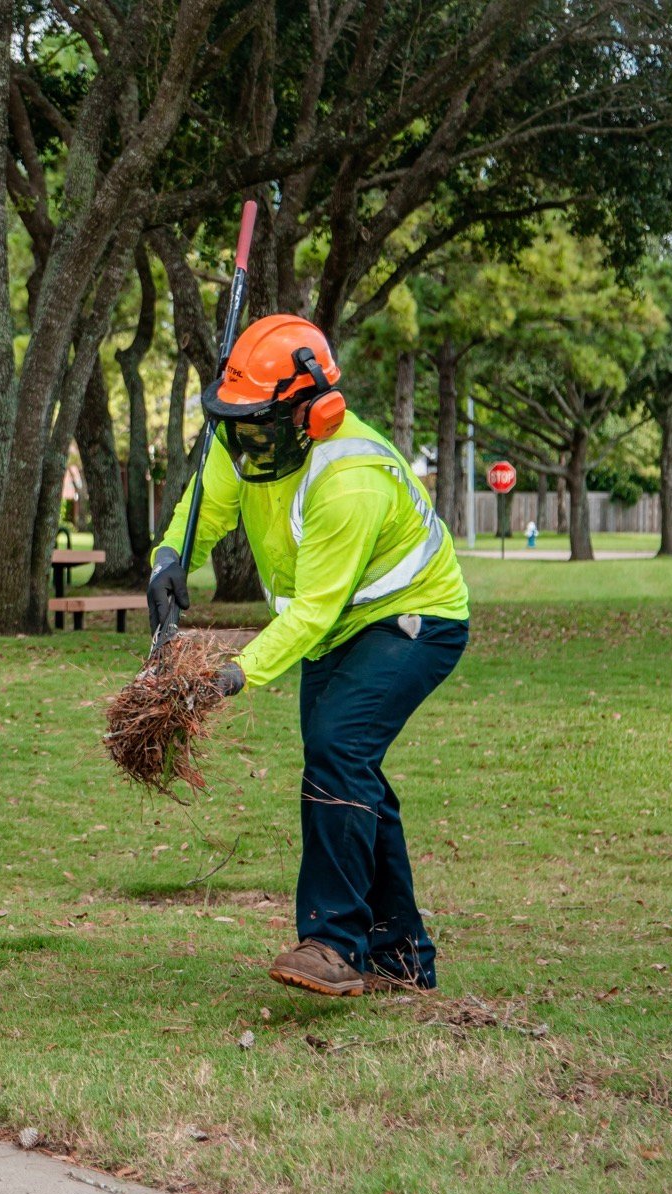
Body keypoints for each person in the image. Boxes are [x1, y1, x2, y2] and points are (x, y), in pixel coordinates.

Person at [147, 315, 469, 998]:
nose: (244, 439)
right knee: (347, 767)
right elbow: (203, 506)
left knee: (337, 748)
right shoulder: (252, 446)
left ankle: (334, 942)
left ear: (313, 413)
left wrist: (234, 673)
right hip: (333, 629)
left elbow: (316, 608)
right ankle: (403, 956)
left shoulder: (349, 478)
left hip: (413, 619)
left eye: (259, 423)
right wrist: (172, 558)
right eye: (237, 422)